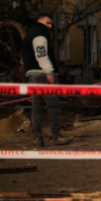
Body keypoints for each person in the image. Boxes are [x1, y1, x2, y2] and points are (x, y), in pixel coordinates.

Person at [22, 13, 71, 147]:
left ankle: (37, 137)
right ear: (41, 22)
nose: (50, 26)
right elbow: (41, 54)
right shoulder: (39, 35)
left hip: (32, 75)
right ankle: (57, 136)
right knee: (53, 105)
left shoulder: (29, 34)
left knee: (37, 107)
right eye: (48, 23)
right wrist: (49, 72)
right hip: (42, 74)